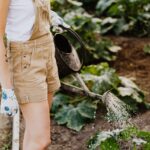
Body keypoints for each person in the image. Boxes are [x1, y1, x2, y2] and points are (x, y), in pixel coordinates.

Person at [0, 0, 69, 149]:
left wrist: (49, 15)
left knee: (33, 134)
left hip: (47, 52)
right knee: (41, 140)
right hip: (25, 61)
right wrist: (6, 87)